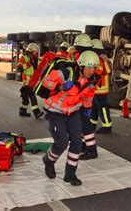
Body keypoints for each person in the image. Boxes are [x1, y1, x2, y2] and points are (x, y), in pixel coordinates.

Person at [41, 51, 100, 186]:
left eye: (94, 67)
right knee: (62, 142)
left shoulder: (92, 79)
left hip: (74, 111)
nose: (92, 70)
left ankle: (70, 174)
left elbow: (88, 95)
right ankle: (48, 161)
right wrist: (60, 86)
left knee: (77, 143)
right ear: (81, 66)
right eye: (89, 67)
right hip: (56, 111)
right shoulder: (66, 73)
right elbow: (45, 81)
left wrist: (88, 108)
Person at [90, 39, 113, 134]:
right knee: (94, 109)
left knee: (102, 109)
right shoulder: (102, 58)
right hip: (99, 90)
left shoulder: (99, 60)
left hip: (100, 90)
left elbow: (97, 73)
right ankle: (92, 126)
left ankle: (107, 126)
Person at [17, 43, 44, 119]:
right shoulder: (24, 58)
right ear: (31, 51)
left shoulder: (36, 59)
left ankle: (22, 111)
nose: (37, 53)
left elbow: (40, 68)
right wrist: (29, 64)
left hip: (33, 82)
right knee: (32, 97)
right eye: (36, 52)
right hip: (26, 82)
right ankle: (37, 113)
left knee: (25, 99)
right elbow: (19, 68)